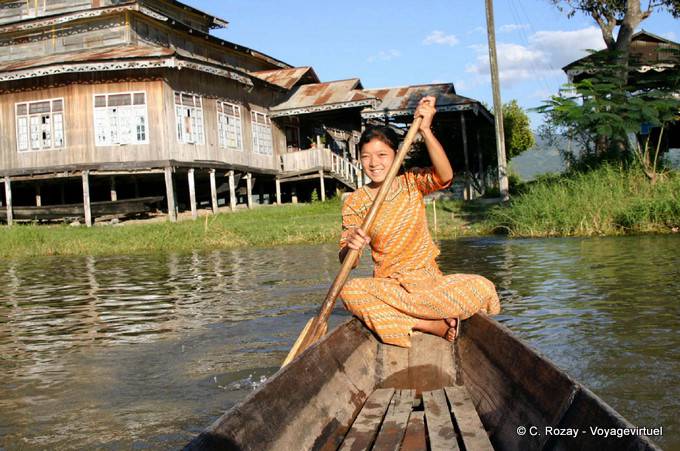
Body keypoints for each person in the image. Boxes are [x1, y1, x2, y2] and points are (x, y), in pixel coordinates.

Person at [338, 96, 501, 348]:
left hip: (428, 281)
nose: (374, 163)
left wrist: (424, 129)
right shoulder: (355, 202)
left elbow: (445, 175)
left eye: (382, 154)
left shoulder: (411, 183)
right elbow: (348, 261)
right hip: (391, 285)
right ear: (360, 159)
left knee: (483, 286)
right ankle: (429, 323)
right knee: (350, 291)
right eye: (366, 156)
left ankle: (409, 316)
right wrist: (351, 244)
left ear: (395, 156)